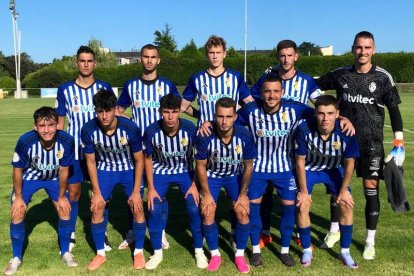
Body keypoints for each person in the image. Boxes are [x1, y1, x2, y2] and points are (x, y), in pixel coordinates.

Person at [316, 31, 405, 260]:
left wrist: (399, 143)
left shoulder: (383, 77)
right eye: (359, 47)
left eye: (367, 48)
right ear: (353, 48)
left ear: (373, 50)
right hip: (343, 143)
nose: (362, 52)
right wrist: (332, 114)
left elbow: (394, 111)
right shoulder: (341, 75)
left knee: (370, 190)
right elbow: (313, 85)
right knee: (338, 187)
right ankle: (334, 231)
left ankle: (369, 241)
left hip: (372, 144)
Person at [250, 39, 326, 249]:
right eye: (282, 55)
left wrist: (339, 117)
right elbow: (251, 102)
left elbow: (320, 104)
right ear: (278, 57)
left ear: (296, 57)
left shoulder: (306, 81)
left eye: (289, 55)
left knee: (300, 192)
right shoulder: (267, 80)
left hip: (297, 146)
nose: (286, 59)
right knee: (264, 193)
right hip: (268, 143)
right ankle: (265, 232)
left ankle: (300, 232)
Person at [237, 74, 314, 268]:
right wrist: (208, 124)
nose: (271, 96)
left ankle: (285, 250)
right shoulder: (250, 111)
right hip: (257, 169)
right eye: (267, 91)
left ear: (282, 92)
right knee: (253, 208)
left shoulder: (295, 109)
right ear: (261, 93)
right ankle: (255, 249)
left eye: (276, 91)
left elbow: (322, 114)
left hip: (284, 168)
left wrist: (341, 119)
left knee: (289, 209)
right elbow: (229, 124)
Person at [116, 43, 179, 250]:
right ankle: (133, 231)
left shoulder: (167, 85)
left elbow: (175, 113)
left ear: (158, 60)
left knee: (159, 193)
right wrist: (123, 118)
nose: (149, 60)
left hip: (160, 149)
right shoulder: (131, 85)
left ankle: (159, 233)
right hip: (135, 149)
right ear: (140, 59)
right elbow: (119, 109)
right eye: (146, 57)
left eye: (153, 57)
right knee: (134, 192)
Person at [4, 107, 78, 276]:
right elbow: (17, 170)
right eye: (42, 126)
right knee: (18, 211)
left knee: (65, 209)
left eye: (51, 125)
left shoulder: (66, 141)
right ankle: (16, 258)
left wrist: (60, 196)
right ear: (35, 127)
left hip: (53, 179)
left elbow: (64, 170)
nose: (46, 130)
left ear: (58, 125)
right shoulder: (25, 141)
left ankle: (65, 252)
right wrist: (19, 197)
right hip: (30, 178)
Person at [56, 45, 113, 252]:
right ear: (77, 62)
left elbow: (112, 117)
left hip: (100, 151)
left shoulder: (104, 86)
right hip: (74, 151)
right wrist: (57, 149)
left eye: (90, 60)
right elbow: (60, 122)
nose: (86, 64)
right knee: (74, 193)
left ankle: (102, 232)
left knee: (102, 194)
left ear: (95, 63)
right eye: (82, 60)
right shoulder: (65, 89)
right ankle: (70, 232)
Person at [81, 89, 146, 271]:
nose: (104, 116)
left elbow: (139, 159)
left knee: (137, 206)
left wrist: (135, 192)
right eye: (100, 111)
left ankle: (138, 252)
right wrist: (96, 191)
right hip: (105, 170)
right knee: (97, 206)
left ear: (115, 109)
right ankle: (100, 254)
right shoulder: (88, 129)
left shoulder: (130, 128)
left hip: (128, 169)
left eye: (108, 110)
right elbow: (91, 161)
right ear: (95, 110)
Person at [143, 94, 207, 270]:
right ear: (160, 111)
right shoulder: (151, 131)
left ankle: (199, 251)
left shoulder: (189, 129)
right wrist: (150, 188)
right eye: (166, 112)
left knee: (194, 207)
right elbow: (147, 159)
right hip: (160, 171)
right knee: (154, 208)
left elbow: (199, 158)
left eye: (174, 112)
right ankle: (157, 253)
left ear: (180, 111)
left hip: (185, 171)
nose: (170, 117)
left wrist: (195, 185)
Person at [295, 95, 359, 269]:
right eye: (321, 113)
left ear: (337, 114)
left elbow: (349, 163)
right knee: (303, 204)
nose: (325, 118)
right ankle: (307, 248)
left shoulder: (346, 131)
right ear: (315, 113)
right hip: (310, 169)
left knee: (346, 204)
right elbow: (299, 161)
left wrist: (344, 190)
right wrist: (303, 190)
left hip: (333, 169)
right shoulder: (304, 129)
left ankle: (344, 251)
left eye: (330, 113)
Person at [195, 97, 256, 273]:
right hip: (212, 176)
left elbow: (248, 165)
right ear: (215, 116)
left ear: (235, 117)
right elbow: (200, 165)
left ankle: (239, 254)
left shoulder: (244, 136)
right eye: (220, 116)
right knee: (207, 211)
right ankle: (215, 254)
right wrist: (205, 193)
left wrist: (243, 194)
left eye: (228, 116)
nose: (224, 121)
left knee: (243, 211)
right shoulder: (205, 136)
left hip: (234, 176)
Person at [180, 35, 254, 127]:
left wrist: (239, 118)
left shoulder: (236, 77)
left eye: (218, 52)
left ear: (224, 54)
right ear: (207, 55)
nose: (215, 56)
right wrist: (200, 116)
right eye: (211, 53)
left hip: (231, 133)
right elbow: (183, 107)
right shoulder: (197, 78)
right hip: (206, 133)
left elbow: (250, 104)